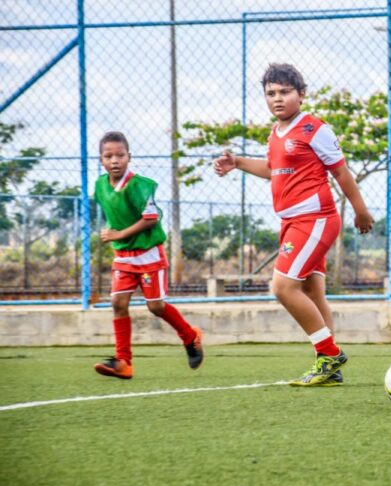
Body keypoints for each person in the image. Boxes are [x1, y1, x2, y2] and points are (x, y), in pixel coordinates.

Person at [213, 63, 374, 387]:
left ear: (302, 94)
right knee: (312, 292)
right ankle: (329, 366)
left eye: (285, 92)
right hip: (291, 222)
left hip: (315, 220)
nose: (277, 99)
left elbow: (341, 173)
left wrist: (360, 210)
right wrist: (239, 163)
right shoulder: (275, 134)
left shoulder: (315, 129)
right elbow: (274, 169)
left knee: (283, 287)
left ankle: (329, 354)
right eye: (270, 93)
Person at [93, 131, 203, 380]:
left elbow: (150, 219)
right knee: (118, 303)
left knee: (156, 306)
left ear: (129, 157)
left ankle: (190, 337)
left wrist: (119, 234)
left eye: (120, 155)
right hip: (124, 257)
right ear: (100, 160)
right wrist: (116, 237)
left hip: (148, 256)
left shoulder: (140, 185)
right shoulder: (100, 185)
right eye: (108, 156)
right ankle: (123, 362)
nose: (114, 160)